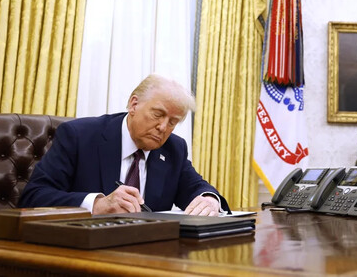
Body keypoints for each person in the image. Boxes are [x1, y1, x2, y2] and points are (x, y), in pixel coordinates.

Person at [19, 74, 229, 216]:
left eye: (173, 122)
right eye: (158, 115)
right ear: (134, 104)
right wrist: (97, 204)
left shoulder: (174, 148)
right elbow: (33, 197)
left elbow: (196, 187)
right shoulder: (80, 136)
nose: (163, 127)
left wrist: (209, 199)